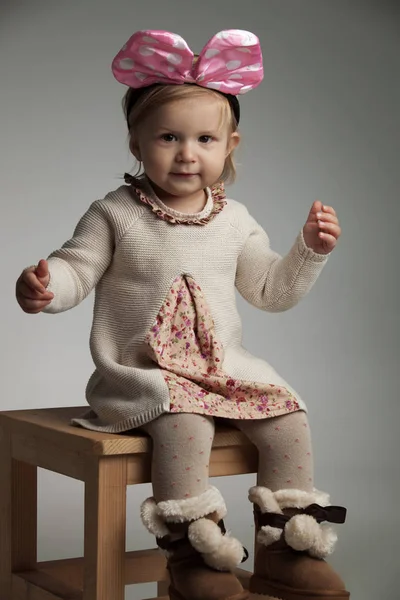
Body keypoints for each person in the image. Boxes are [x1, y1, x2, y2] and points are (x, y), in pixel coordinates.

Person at [15, 29, 349, 600]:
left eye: (204, 139)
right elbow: (78, 266)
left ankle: (285, 551)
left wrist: (308, 252)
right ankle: (193, 557)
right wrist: (49, 286)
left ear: (230, 145)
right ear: (136, 142)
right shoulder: (114, 213)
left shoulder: (236, 219)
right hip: (145, 376)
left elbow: (270, 290)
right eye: (168, 137)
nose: (187, 153)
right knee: (185, 420)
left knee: (290, 417)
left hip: (224, 371)